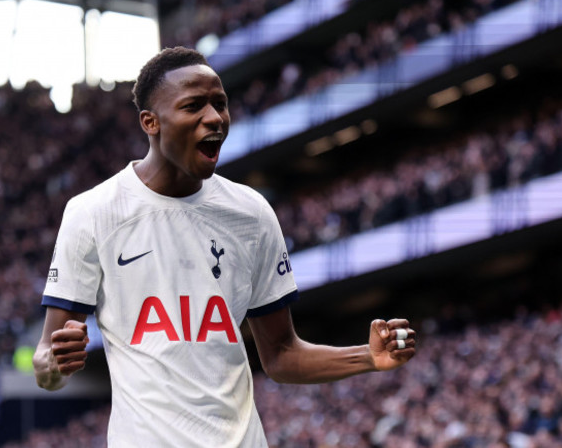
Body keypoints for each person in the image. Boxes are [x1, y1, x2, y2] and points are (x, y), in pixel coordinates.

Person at [32, 46, 416, 447]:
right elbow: (45, 364)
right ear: (151, 122)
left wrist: (367, 358)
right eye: (194, 106)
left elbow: (282, 354)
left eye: (220, 104)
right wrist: (56, 364)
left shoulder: (250, 213)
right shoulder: (93, 213)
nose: (215, 118)